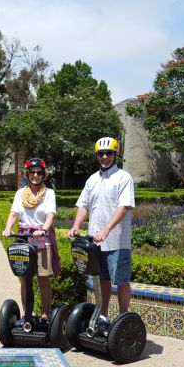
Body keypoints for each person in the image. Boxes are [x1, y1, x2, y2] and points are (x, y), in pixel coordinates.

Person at [67, 137, 135, 319]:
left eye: (109, 153)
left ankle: (123, 319)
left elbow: (124, 207)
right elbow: (83, 205)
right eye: (101, 154)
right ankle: (103, 316)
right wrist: (76, 225)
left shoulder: (123, 177)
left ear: (115, 155)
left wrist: (106, 230)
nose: (105, 157)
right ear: (97, 156)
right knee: (102, 279)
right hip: (95, 243)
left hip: (117, 242)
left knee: (121, 280)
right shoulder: (92, 179)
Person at [2, 158, 59, 325]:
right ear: (27, 174)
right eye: (32, 172)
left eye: (39, 172)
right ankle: (27, 313)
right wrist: (7, 228)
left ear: (43, 175)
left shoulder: (49, 193)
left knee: (43, 278)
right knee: (24, 278)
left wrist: (44, 230)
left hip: (41, 240)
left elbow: (50, 215)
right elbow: (13, 214)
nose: (35, 175)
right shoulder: (20, 193)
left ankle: (45, 315)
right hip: (24, 239)